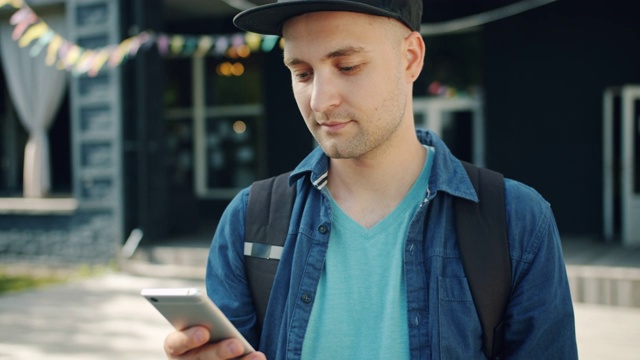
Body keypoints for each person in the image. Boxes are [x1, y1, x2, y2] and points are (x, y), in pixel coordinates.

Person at [163, 0, 578, 359]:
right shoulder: (248, 220)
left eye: (347, 66)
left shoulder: (517, 222)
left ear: (411, 58)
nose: (321, 100)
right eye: (302, 73)